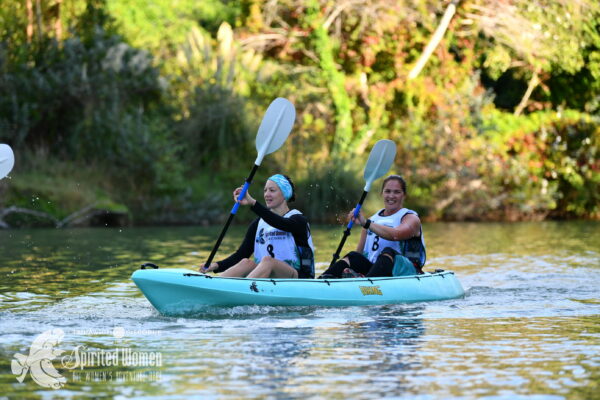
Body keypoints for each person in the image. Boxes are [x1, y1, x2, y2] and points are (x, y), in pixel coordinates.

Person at [201, 174, 315, 279]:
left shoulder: (298, 220)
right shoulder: (258, 224)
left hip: (300, 278)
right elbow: (240, 254)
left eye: (272, 190)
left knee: (268, 261)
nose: (266, 194)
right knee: (246, 262)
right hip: (267, 278)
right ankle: (217, 284)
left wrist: (253, 203)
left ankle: (241, 290)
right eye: (265, 190)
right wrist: (214, 265)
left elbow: (280, 223)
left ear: (285, 194)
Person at [318, 175, 426, 279]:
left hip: (405, 272)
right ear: (382, 193)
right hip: (376, 271)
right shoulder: (373, 219)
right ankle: (322, 281)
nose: (391, 196)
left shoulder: (410, 218)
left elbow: (396, 235)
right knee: (353, 256)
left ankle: (365, 284)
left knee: (388, 251)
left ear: (404, 195)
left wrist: (366, 224)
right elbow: (360, 254)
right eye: (387, 191)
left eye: (397, 192)